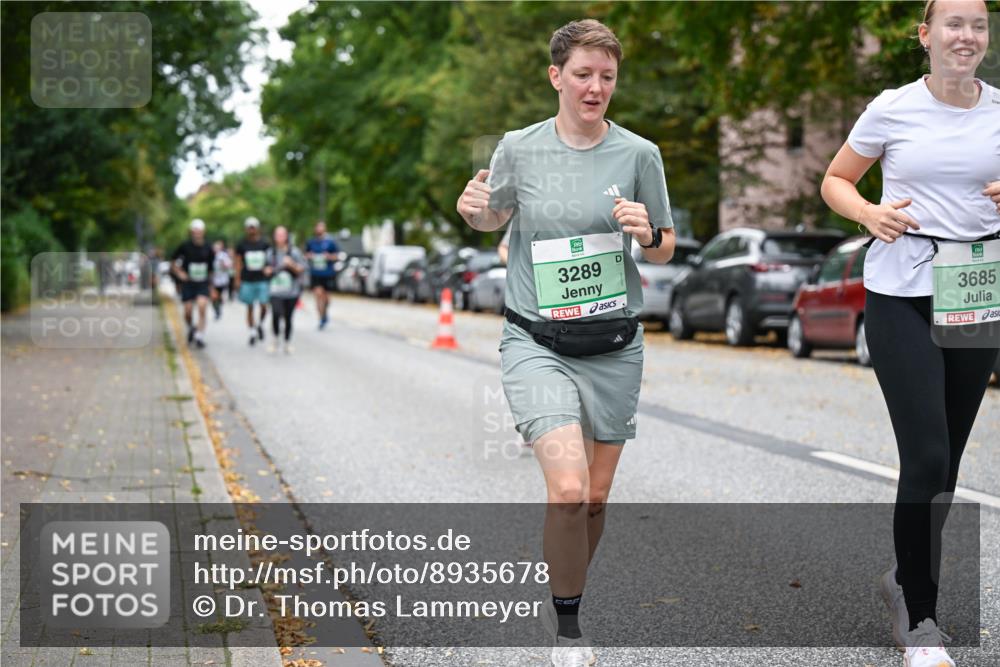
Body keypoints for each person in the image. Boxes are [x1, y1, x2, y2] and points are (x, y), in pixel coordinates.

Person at [456, 19, 675, 667]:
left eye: (607, 76)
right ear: (556, 76)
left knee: (597, 497)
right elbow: (491, 215)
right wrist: (475, 209)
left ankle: (570, 582)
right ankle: (569, 627)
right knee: (569, 489)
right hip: (536, 340)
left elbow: (664, 248)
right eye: (583, 74)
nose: (595, 87)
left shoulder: (640, 155)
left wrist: (646, 232)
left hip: (613, 344)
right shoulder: (519, 149)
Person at [820, 2, 999, 665]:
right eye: (953, 23)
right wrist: (869, 212)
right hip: (900, 292)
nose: (967, 35)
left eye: (978, 24)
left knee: (948, 463)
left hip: (976, 292)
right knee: (924, 453)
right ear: (925, 36)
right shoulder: (893, 108)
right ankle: (921, 618)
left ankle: (902, 577)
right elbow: (835, 180)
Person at [170, 219, 215, 348]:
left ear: (203, 232)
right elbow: (173, 262)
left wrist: (212, 287)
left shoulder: (208, 247)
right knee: (188, 311)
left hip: (202, 282)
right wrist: (179, 273)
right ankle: (191, 327)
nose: (197, 233)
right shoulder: (185, 246)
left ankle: (200, 336)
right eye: (195, 230)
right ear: (191, 231)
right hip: (188, 283)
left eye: (199, 230)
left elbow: (211, 269)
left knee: (202, 306)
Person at [266, 226, 306, 354]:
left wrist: (292, 264)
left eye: (282, 235)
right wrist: (267, 271)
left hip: (291, 291)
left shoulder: (294, 252)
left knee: (288, 317)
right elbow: (265, 269)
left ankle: (287, 342)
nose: (280, 237)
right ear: (274, 236)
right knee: (276, 313)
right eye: (278, 235)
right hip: (275, 290)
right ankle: (275, 339)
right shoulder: (270, 252)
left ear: (287, 236)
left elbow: (302, 269)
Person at [234, 216, 272, 346]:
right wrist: (237, 279)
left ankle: (260, 324)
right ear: (246, 229)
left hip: (262, 279)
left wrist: (269, 269)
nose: (251, 230)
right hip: (247, 279)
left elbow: (270, 260)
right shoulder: (241, 244)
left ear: (257, 228)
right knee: (249, 307)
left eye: (253, 227)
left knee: (263, 305)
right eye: (249, 227)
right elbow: (238, 262)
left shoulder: (265, 244)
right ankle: (252, 332)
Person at [305, 220, 340, 329]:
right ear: (315, 229)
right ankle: (321, 319)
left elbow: (337, 256)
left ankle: (325, 313)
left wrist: (329, 256)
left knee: (327, 299)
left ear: (325, 229)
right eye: (318, 227)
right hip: (316, 273)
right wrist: (309, 256)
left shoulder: (330, 242)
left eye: (322, 227)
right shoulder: (311, 242)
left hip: (328, 273)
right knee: (318, 295)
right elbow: (305, 255)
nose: (320, 229)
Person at [211, 240, 233, 320]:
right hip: (213, 280)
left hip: (222, 280)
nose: (216, 249)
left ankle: (219, 308)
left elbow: (229, 265)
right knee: (213, 297)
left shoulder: (224, 255)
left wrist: (223, 265)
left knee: (219, 296)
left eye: (218, 247)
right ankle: (216, 310)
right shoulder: (210, 255)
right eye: (215, 247)